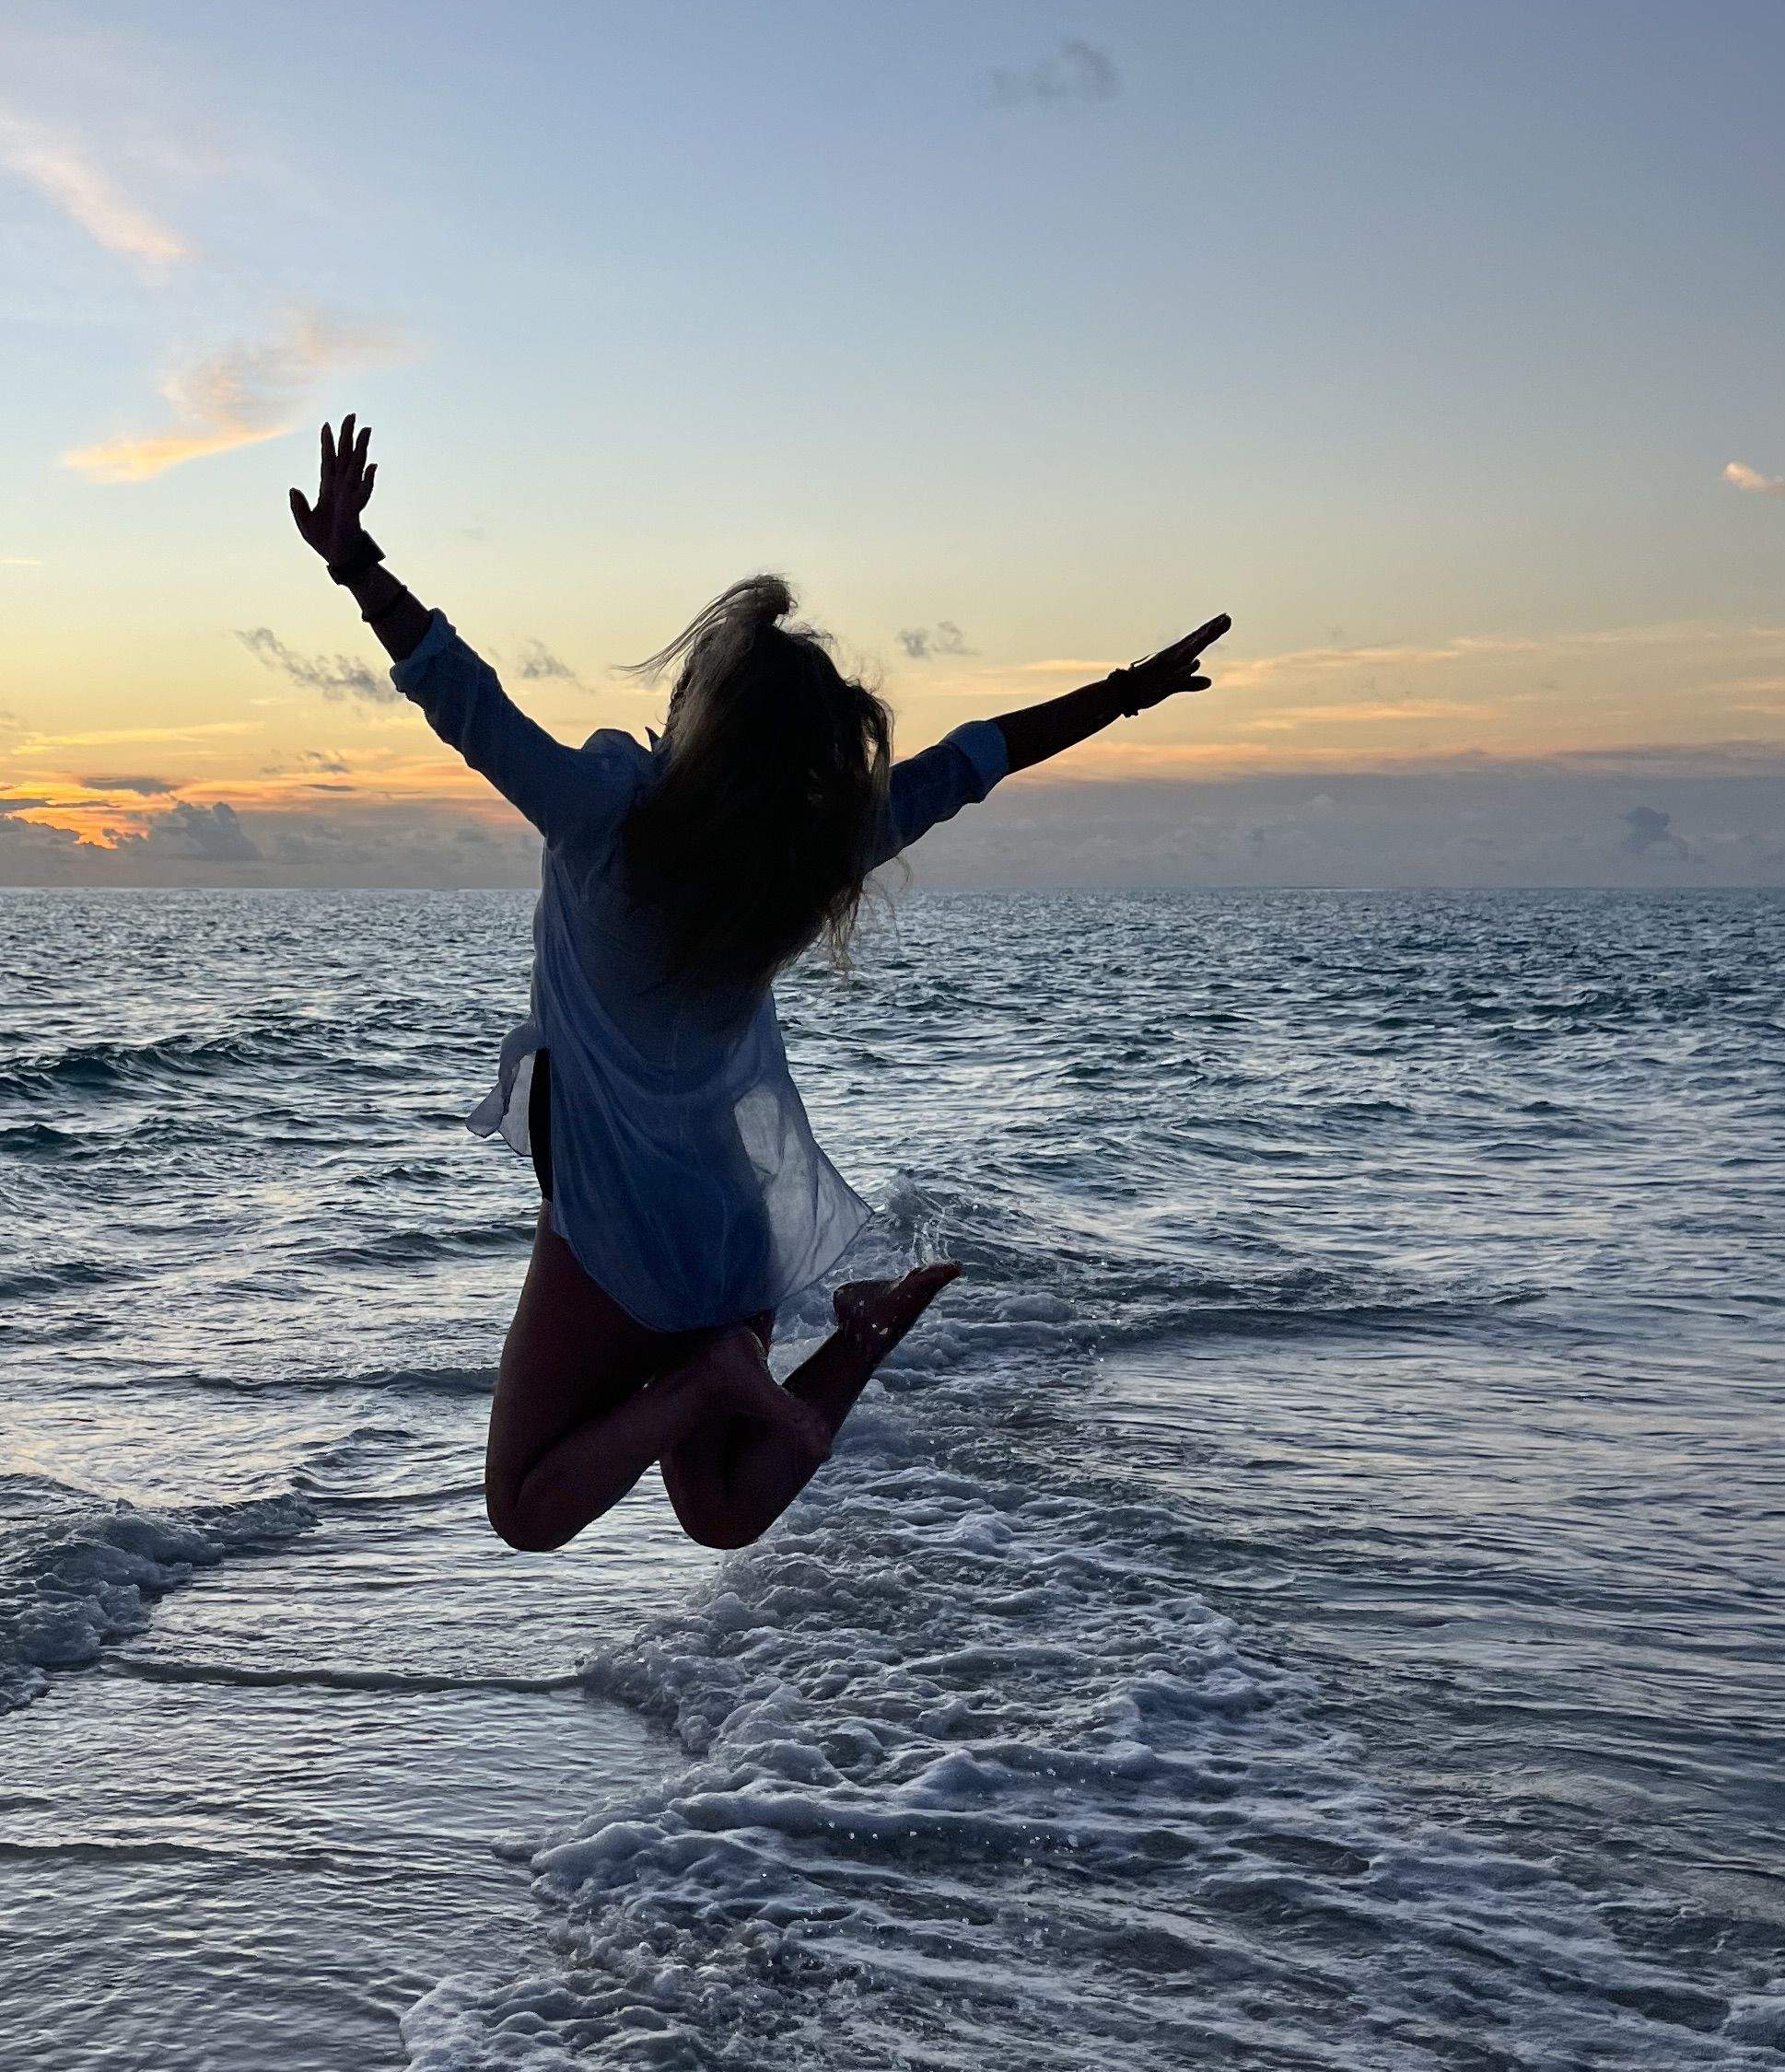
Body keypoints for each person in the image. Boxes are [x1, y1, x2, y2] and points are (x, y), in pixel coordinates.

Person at [290, 413, 1228, 1555]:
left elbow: (464, 698)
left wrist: (355, 566)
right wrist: (1126, 691)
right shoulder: (808, 860)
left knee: (528, 1507)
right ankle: (863, 1334)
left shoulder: (604, 822)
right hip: (731, 1224)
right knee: (724, 1510)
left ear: (702, 722)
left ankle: (702, 1384)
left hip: (622, 1225)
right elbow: (979, 757)